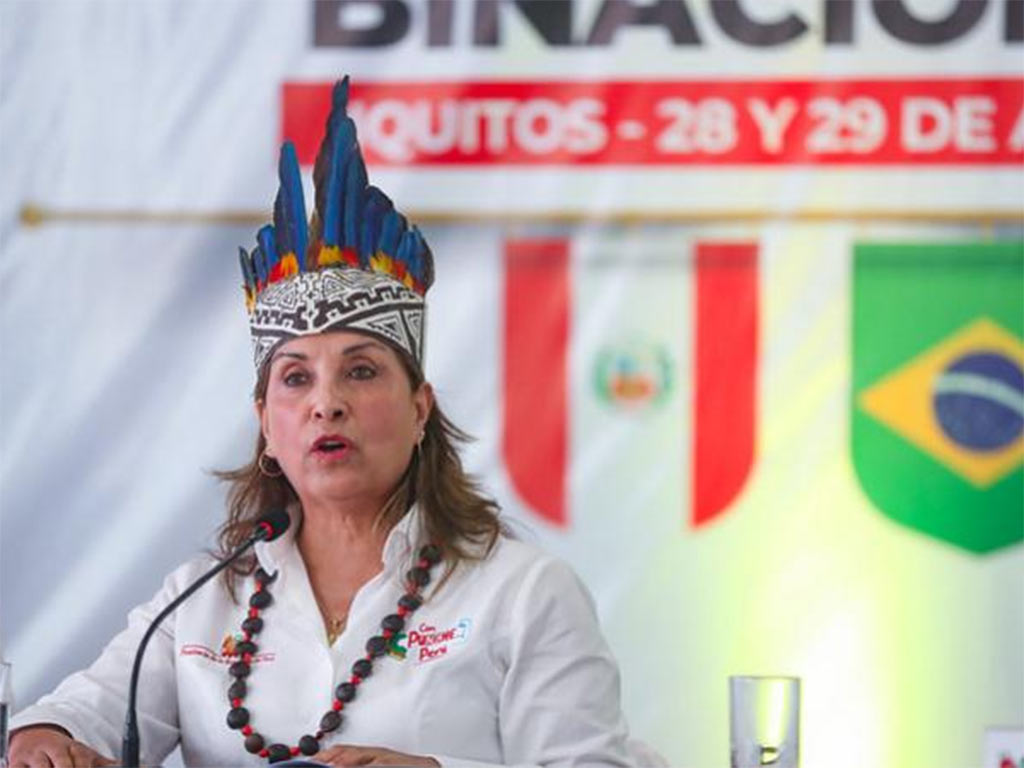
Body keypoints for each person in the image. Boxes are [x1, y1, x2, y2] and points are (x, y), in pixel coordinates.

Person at [8, 77, 639, 768]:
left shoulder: (521, 591)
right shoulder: (202, 597)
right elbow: (79, 713)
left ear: (420, 409)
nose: (326, 403)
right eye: (296, 378)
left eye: (361, 371)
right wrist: (45, 738)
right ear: (266, 425)